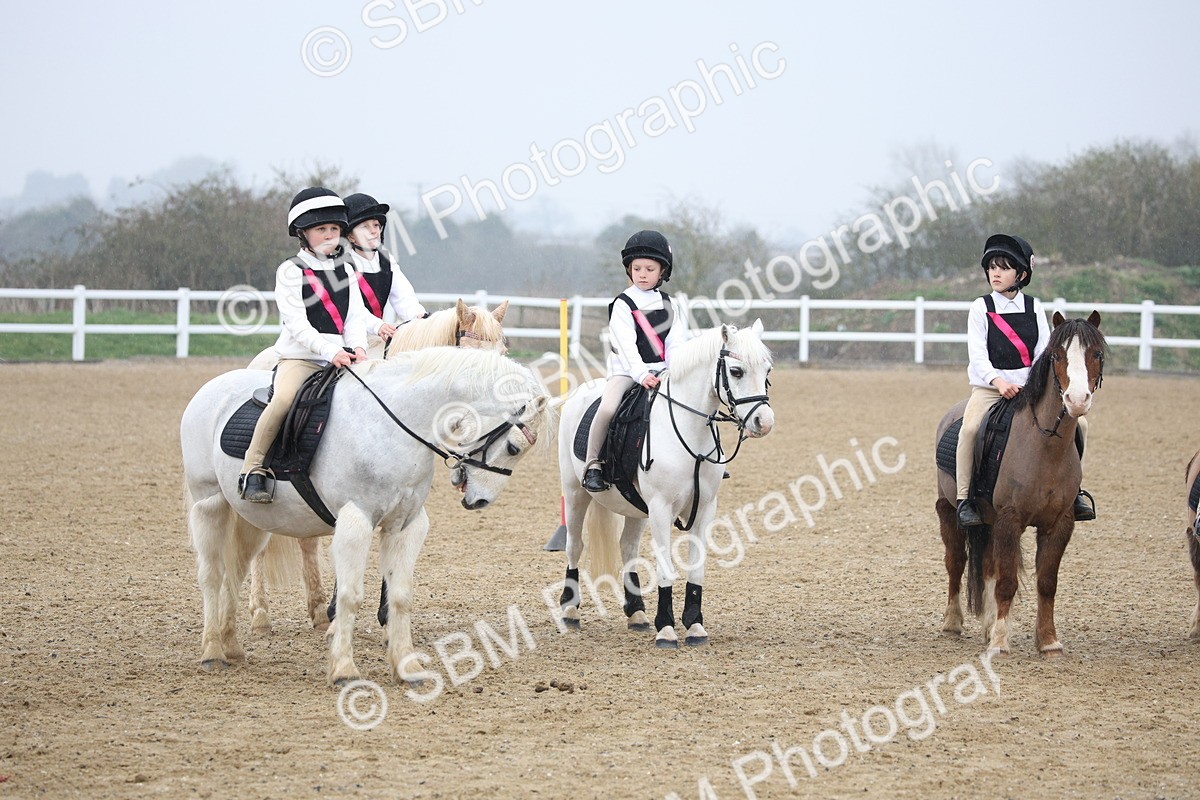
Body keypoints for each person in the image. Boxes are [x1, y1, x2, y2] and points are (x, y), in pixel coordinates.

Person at [955, 233, 1095, 527]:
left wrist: (1033, 384)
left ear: (1020, 274)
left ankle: (1075, 492)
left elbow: (1044, 352)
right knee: (968, 430)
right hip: (990, 389)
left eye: (1004, 267)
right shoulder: (980, 308)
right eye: (992, 267)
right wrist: (998, 382)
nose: (996, 273)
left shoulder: (1034, 307)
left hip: (1030, 388)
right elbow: (978, 356)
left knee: (1080, 423)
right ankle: (965, 499)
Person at [239, 187, 369, 503]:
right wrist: (330, 351)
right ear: (303, 233)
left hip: (345, 358)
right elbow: (297, 324)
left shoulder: (348, 269)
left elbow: (353, 318)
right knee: (282, 400)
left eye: (334, 229)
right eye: (320, 230)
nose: (329, 235)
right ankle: (253, 469)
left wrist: (359, 348)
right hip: (302, 359)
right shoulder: (290, 270)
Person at [582, 230, 689, 493]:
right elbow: (626, 346)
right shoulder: (623, 304)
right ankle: (593, 464)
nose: (642, 274)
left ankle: (700, 459)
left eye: (649, 268)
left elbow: (676, 341)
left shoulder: (670, 304)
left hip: (663, 372)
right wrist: (641, 374)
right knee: (607, 408)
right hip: (627, 372)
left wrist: (674, 371)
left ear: (663, 271)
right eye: (636, 268)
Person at [342, 192, 427, 358]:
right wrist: (377, 325)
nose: (374, 231)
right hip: (347, 340)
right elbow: (351, 310)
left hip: (377, 337)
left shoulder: (386, 261)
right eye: (365, 227)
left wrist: (419, 317)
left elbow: (404, 298)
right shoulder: (341, 265)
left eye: (376, 225)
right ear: (350, 236)